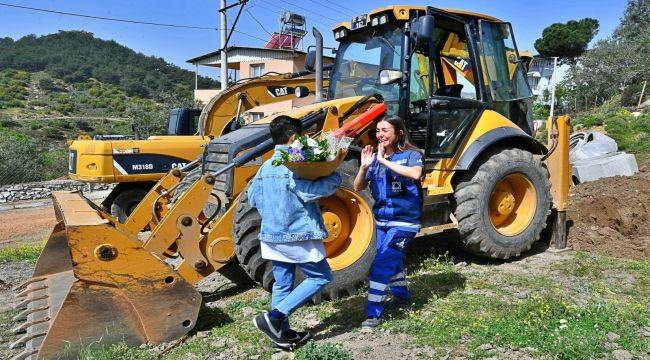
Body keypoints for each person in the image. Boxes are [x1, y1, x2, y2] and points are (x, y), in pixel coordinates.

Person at [249, 115, 342, 349]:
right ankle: (275, 317)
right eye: (301, 137)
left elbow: (253, 198)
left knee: (283, 284)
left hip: (271, 235)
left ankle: (281, 334)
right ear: (293, 138)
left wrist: (274, 213)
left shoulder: (266, 165)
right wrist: (334, 177)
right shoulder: (297, 160)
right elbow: (308, 192)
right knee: (321, 277)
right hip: (297, 234)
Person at [353, 115, 423, 329]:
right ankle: (402, 297)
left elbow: (415, 174)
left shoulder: (412, 155)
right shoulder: (373, 159)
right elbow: (358, 187)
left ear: (399, 133)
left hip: (404, 222)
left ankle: (373, 315)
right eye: (377, 131)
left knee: (381, 265)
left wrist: (383, 161)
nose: (380, 135)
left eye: (385, 130)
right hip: (382, 221)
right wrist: (364, 167)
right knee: (393, 260)